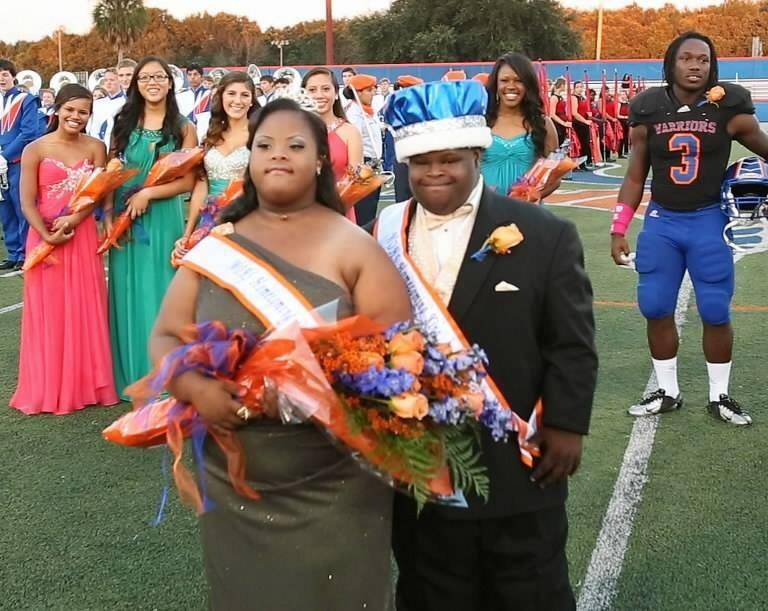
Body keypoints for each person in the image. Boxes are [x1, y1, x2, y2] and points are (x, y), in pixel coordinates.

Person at [150, 98, 412, 610]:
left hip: (334, 478)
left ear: (320, 159)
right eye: (264, 145)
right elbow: (164, 336)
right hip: (236, 480)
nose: (278, 155)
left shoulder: (354, 246)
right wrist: (196, 388)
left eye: (296, 145)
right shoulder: (217, 246)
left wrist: (303, 392)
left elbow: (398, 354)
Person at [381, 79, 597, 611]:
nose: (435, 172)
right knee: (431, 591)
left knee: (531, 590)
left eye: (450, 159)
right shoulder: (383, 234)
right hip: (422, 462)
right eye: (421, 161)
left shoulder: (543, 233)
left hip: (519, 462)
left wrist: (568, 425)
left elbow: (571, 342)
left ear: (478, 154)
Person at [612, 32, 768, 425]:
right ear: (671, 63)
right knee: (655, 305)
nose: (695, 65)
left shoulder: (729, 109)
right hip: (663, 221)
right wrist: (619, 227)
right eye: (687, 58)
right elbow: (635, 176)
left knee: (715, 309)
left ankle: (720, 395)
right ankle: (667, 390)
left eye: (703, 59)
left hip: (709, 220)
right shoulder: (648, 109)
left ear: (711, 64)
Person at [11, 84, 118, 414]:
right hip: (44, 237)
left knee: (85, 305)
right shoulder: (35, 148)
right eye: (70, 110)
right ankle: (49, 386)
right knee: (49, 309)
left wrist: (75, 219)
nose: (76, 117)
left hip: (81, 233)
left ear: (89, 115)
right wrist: (45, 233)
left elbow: (97, 193)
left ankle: (85, 384)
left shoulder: (97, 147)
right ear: (57, 109)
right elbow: (27, 201)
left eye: (83, 112)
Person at [105, 55, 197, 398]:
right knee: (127, 291)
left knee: (161, 291)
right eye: (145, 78)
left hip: (161, 217)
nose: (153, 82)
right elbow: (112, 168)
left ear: (170, 82)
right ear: (136, 85)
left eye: (159, 76)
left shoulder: (184, 127)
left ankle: (165, 376)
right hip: (124, 215)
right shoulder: (123, 121)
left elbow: (189, 181)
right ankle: (132, 374)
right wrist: (107, 212)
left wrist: (149, 193)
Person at [175, 71, 257, 254]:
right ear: (221, 97)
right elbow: (202, 186)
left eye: (245, 95)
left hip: (247, 218)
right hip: (210, 220)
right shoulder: (210, 136)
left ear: (252, 100)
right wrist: (188, 234)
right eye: (231, 94)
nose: (238, 100)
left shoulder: (261, 135)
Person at [482, 53, 560, 197]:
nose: (511, 86)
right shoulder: (480, 123)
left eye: (518, 81)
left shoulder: (543, 125)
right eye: (504, 80)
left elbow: (554, 179)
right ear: (496, 84)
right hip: (485, 214)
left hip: (528, 215)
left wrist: (526, 200)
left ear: (528, 85)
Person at [302, 67, 363, 221]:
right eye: (312, 90)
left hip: (339, 215)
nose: (319, 95)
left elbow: (356, 183)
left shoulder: (350, 132)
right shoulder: (293, 132)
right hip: (300, 216)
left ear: (336, 94)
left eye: (325, 89)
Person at [0, 58, 42, 273]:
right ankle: (13, 252)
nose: (1, 78)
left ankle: (26, 252)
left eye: (5, 74)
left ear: (13, 76)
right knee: (4, 210)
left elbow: (29, 133)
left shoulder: (26, 99)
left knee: (21, 207)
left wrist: (5, 156)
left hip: (17, 163)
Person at [343, 74, 383, 226]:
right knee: (364, 214)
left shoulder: (368, 111)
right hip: (363, 164)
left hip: (373, 165)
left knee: (371, 210)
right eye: (369, 90)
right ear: (358, 92)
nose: (373, 93)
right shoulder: (354, 113)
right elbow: (355, 141)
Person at [87, 67, 127, 148]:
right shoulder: (97, 103)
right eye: (106, 80)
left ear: (119, 81)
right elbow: (91, 126)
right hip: (95, 144)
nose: (108, 83)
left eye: (112, 80)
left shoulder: (126, 102)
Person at [571, 80, 594, 170]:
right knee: (579, 144)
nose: (580, 89)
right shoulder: (573, 98)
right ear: (574, 88)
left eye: (581, 87)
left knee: (585, 144)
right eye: (578, 87)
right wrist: (585, 121)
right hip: (578, 123)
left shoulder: (583, 98)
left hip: (584, 123)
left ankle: (584, 163)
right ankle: (579, 164)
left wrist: (588, 115)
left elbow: (585, 110)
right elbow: (574, 113)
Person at [549, 76, 572, 145]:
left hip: (562, 123)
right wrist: (563, 123)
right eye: (565, 85)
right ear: (562, 85)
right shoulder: (554, 98)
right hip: (557, 125)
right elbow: (552, 114)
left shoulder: (560, 97)